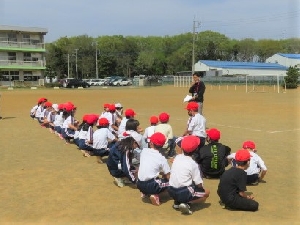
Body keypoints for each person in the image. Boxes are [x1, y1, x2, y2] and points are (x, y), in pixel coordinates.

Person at [168, 135, 210, 215]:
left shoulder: (177, 157)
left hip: (171, 190)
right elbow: (199, 184)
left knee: (185, 181)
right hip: (183, 191)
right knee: (206, 193)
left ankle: (177, 203)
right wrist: (201, 188)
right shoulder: (193, 164)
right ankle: (186, 203)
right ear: (196, 149)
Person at [136, 132, 170, 206]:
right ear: (163, 145)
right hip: (151, 184)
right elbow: (168, 176)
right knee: (171, 184)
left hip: (139, 183)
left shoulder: (144, 151)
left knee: (155, 176)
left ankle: (145, 192)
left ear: (151, 143)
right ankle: (154, 194)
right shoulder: (162, 158)